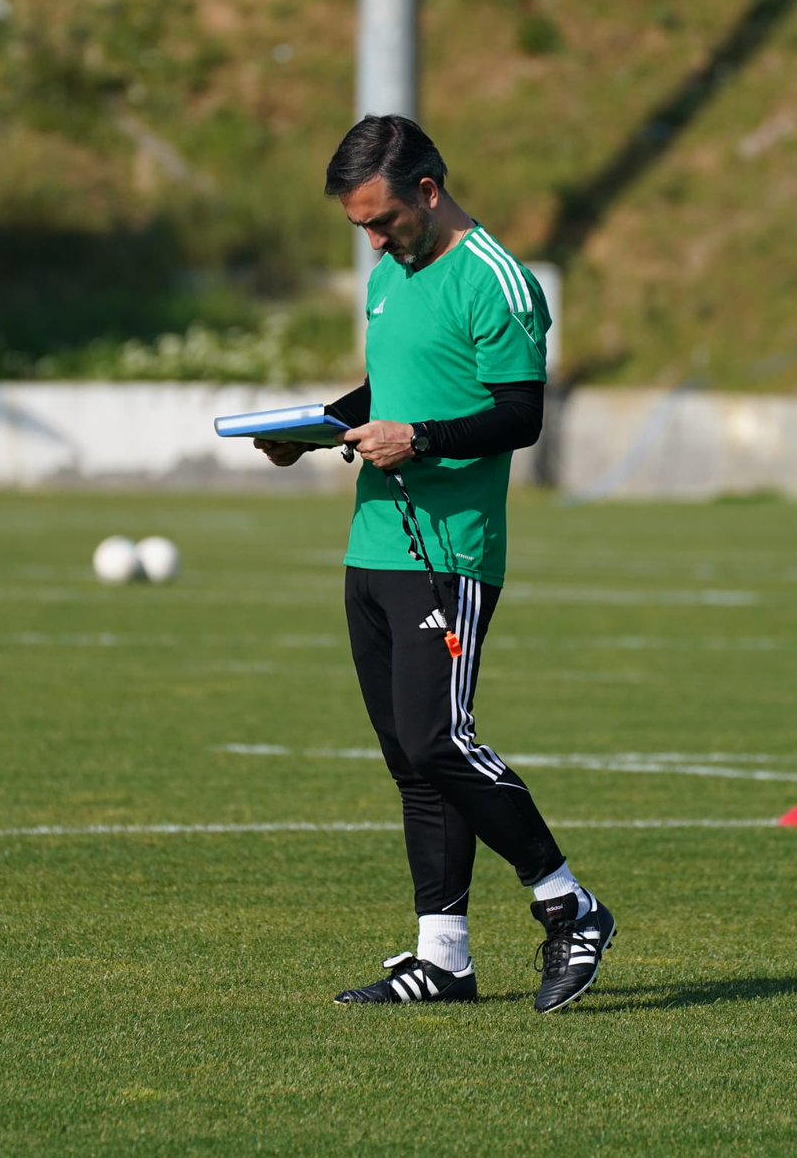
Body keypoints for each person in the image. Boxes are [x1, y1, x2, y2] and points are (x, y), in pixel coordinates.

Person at [255, 114, 613, 1013]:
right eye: (359, 228)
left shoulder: (498, 280)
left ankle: (568, 902)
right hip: (372, 546)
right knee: (410, 760)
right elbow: (393, 383)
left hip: (448, 552)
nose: (372, 241)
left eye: (381, 221)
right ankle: (442, 957)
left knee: (438, 738)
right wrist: (316, 428)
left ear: (428, 189)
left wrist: (420, 438)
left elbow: (520, 416)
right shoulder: (389, 276)